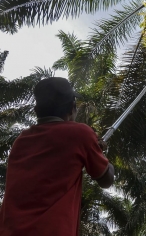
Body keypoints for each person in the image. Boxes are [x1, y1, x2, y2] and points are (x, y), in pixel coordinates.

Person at [0, 77, 114, 236]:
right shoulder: (81, 134)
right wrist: (102, 156)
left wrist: (91, 147)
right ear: (72, 108)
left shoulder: (21, 140)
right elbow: (106, 180)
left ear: (36, 110)